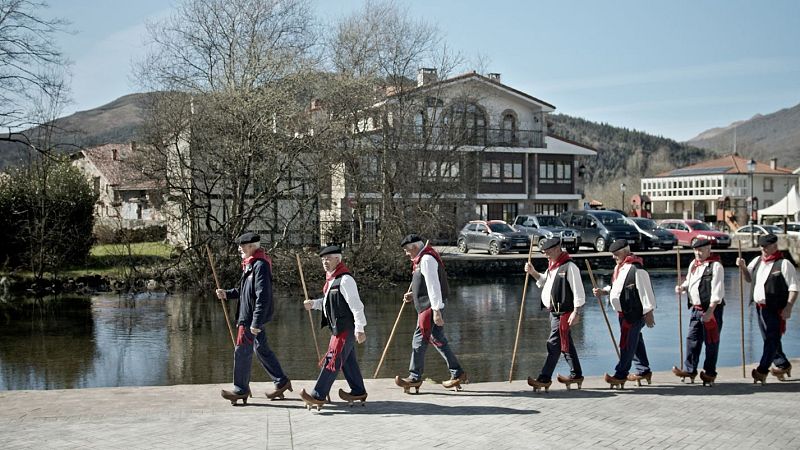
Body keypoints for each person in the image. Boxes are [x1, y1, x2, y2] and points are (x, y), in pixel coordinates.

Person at [216, 232, 291, 405]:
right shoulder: (250, 264)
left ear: (251, 247)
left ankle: (241, 389)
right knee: (261, 349)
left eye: (242, 246)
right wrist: (226, 294)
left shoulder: (260, 265)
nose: (239, 249)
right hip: (250, 316)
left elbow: (262, 295)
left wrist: (256, 321)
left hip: (250, 318)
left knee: (242, 350)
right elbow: (244, 291)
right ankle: (281, 381)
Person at [395, 234, 466, 393]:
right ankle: (458, 373)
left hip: (430, 307)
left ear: (414, 247)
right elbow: (426, 285)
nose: (406, 253)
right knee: (438, 340)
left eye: (407, 250)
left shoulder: (426, 259)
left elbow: (434, 286)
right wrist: (413, 295)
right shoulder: (421, 260)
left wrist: (437, 311)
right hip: (428, 305)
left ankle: (414, 377)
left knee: (419, 340)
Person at [300, 245, 368, 410]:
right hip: (338, 329)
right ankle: (358, 391)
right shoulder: (332, 279)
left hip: (346, 329)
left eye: (328, 258)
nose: (325, 262)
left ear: (338, 259)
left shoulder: (345, 279)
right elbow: (328, 302)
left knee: (332, 361)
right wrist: (314, 304)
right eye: (323, 259)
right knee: (347, 361)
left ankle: (318, 395)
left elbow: (357, 306)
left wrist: (360, 328)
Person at [524, 237, 585, 392]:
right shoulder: (553, 265)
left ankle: (544, 378)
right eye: (544, 252)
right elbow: (544, 281)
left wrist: (577, 312)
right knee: (566, 344)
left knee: (553, 345)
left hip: (564, 313)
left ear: (558, 249)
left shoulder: (570, 267)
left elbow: (579, 291)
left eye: (548, 252)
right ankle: (576, 374)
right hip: (554, 313)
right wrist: (532, 273)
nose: (546, 255)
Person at [593, 239, 656, 388]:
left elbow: (646, 291)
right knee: (635, 341)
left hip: (634, 313)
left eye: (616, 254)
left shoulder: (637, 269)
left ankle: (620, 375)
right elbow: (617, 288)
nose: (613, 257)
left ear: (625, 252)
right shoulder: (620, 268)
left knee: (627, 344)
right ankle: (644, 370)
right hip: (623, 313)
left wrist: (649, 312)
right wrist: (604, 291)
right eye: (613, 254)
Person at [737, 234, 798, 384]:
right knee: (769, 339)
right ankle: (783, 364)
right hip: (760, 308)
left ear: (775, 246)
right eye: (761, 246)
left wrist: (789, 307)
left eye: (766, 247)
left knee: (771, 339)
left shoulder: (784, 264)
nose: (763, 249)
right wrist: (743, 267)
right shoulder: (757, 261)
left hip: (775, 308)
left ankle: (762, 371)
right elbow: (748, 278)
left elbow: (794, 288)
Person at [673, 238, 725, 386]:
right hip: (695, 309)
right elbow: (690, 281)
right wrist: (682, 287)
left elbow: (717, 291)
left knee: (711, 342)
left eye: (701, 250)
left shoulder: (716, 266)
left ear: (709, 249)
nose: (698, 253)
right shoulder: (693, 265)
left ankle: (709, 373)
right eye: (695, 250)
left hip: (711, 310)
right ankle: (690, 369)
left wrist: (710, 311)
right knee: (692, 339)